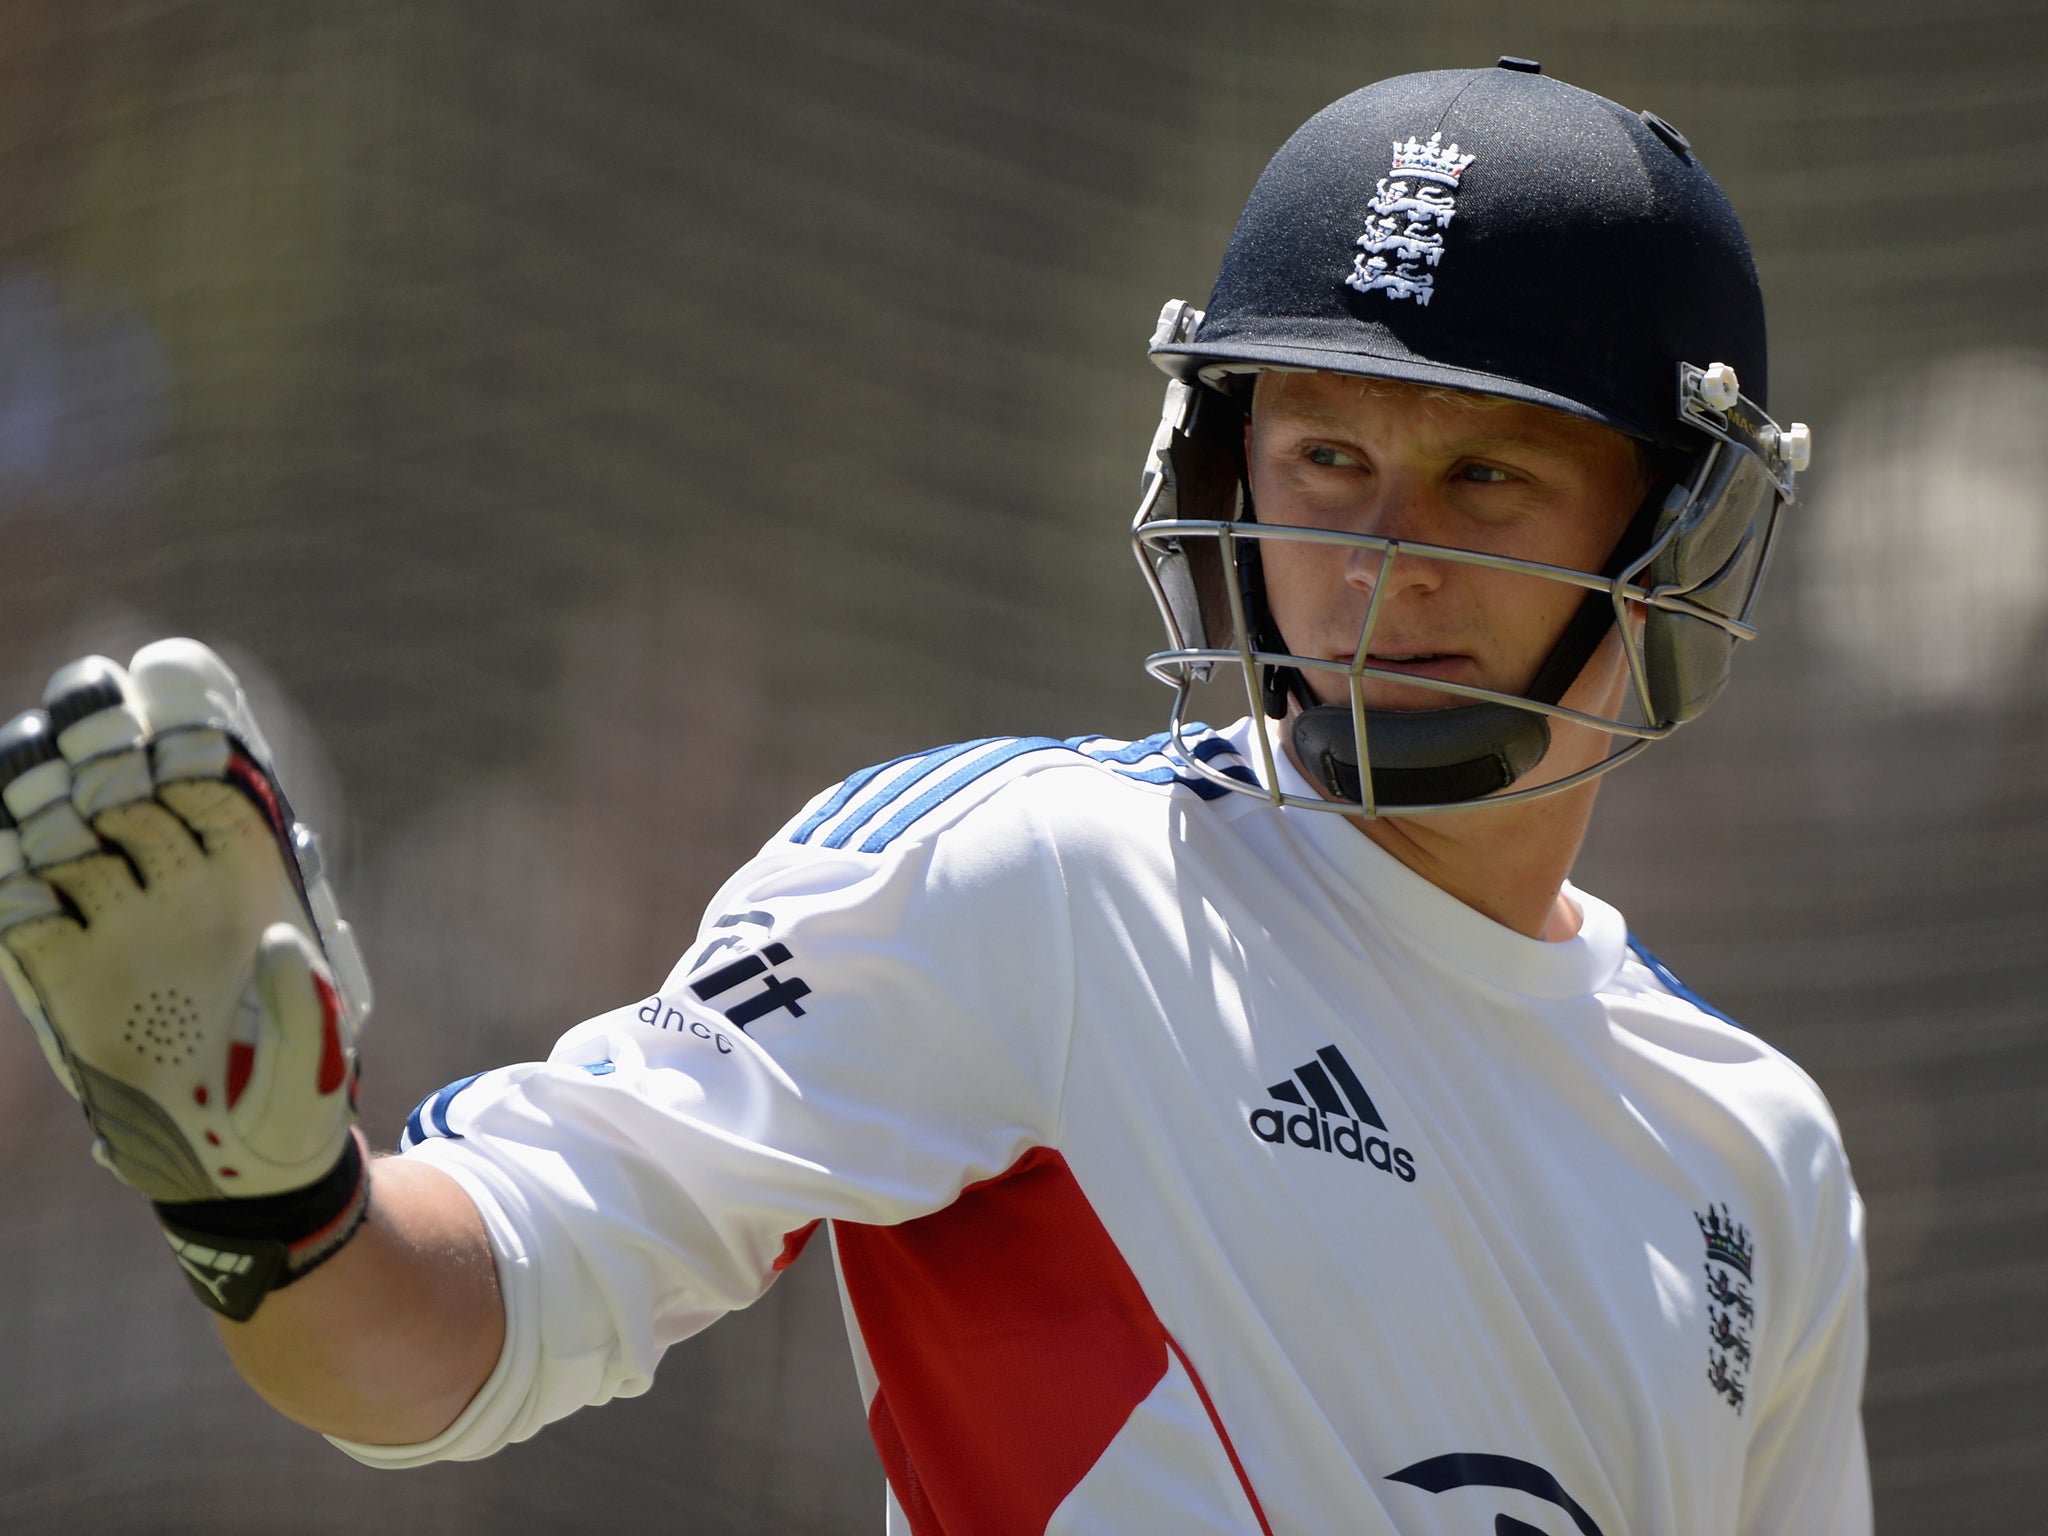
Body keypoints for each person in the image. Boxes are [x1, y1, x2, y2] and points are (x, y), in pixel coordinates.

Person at [0, 61, 1867, 1535]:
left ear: (1680, 532)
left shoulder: (1756, 1155)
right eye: (1322, 454)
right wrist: (268, 1199)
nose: (1380, 557)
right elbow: (432, 1347)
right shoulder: (1037, 885)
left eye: (1485, 479)